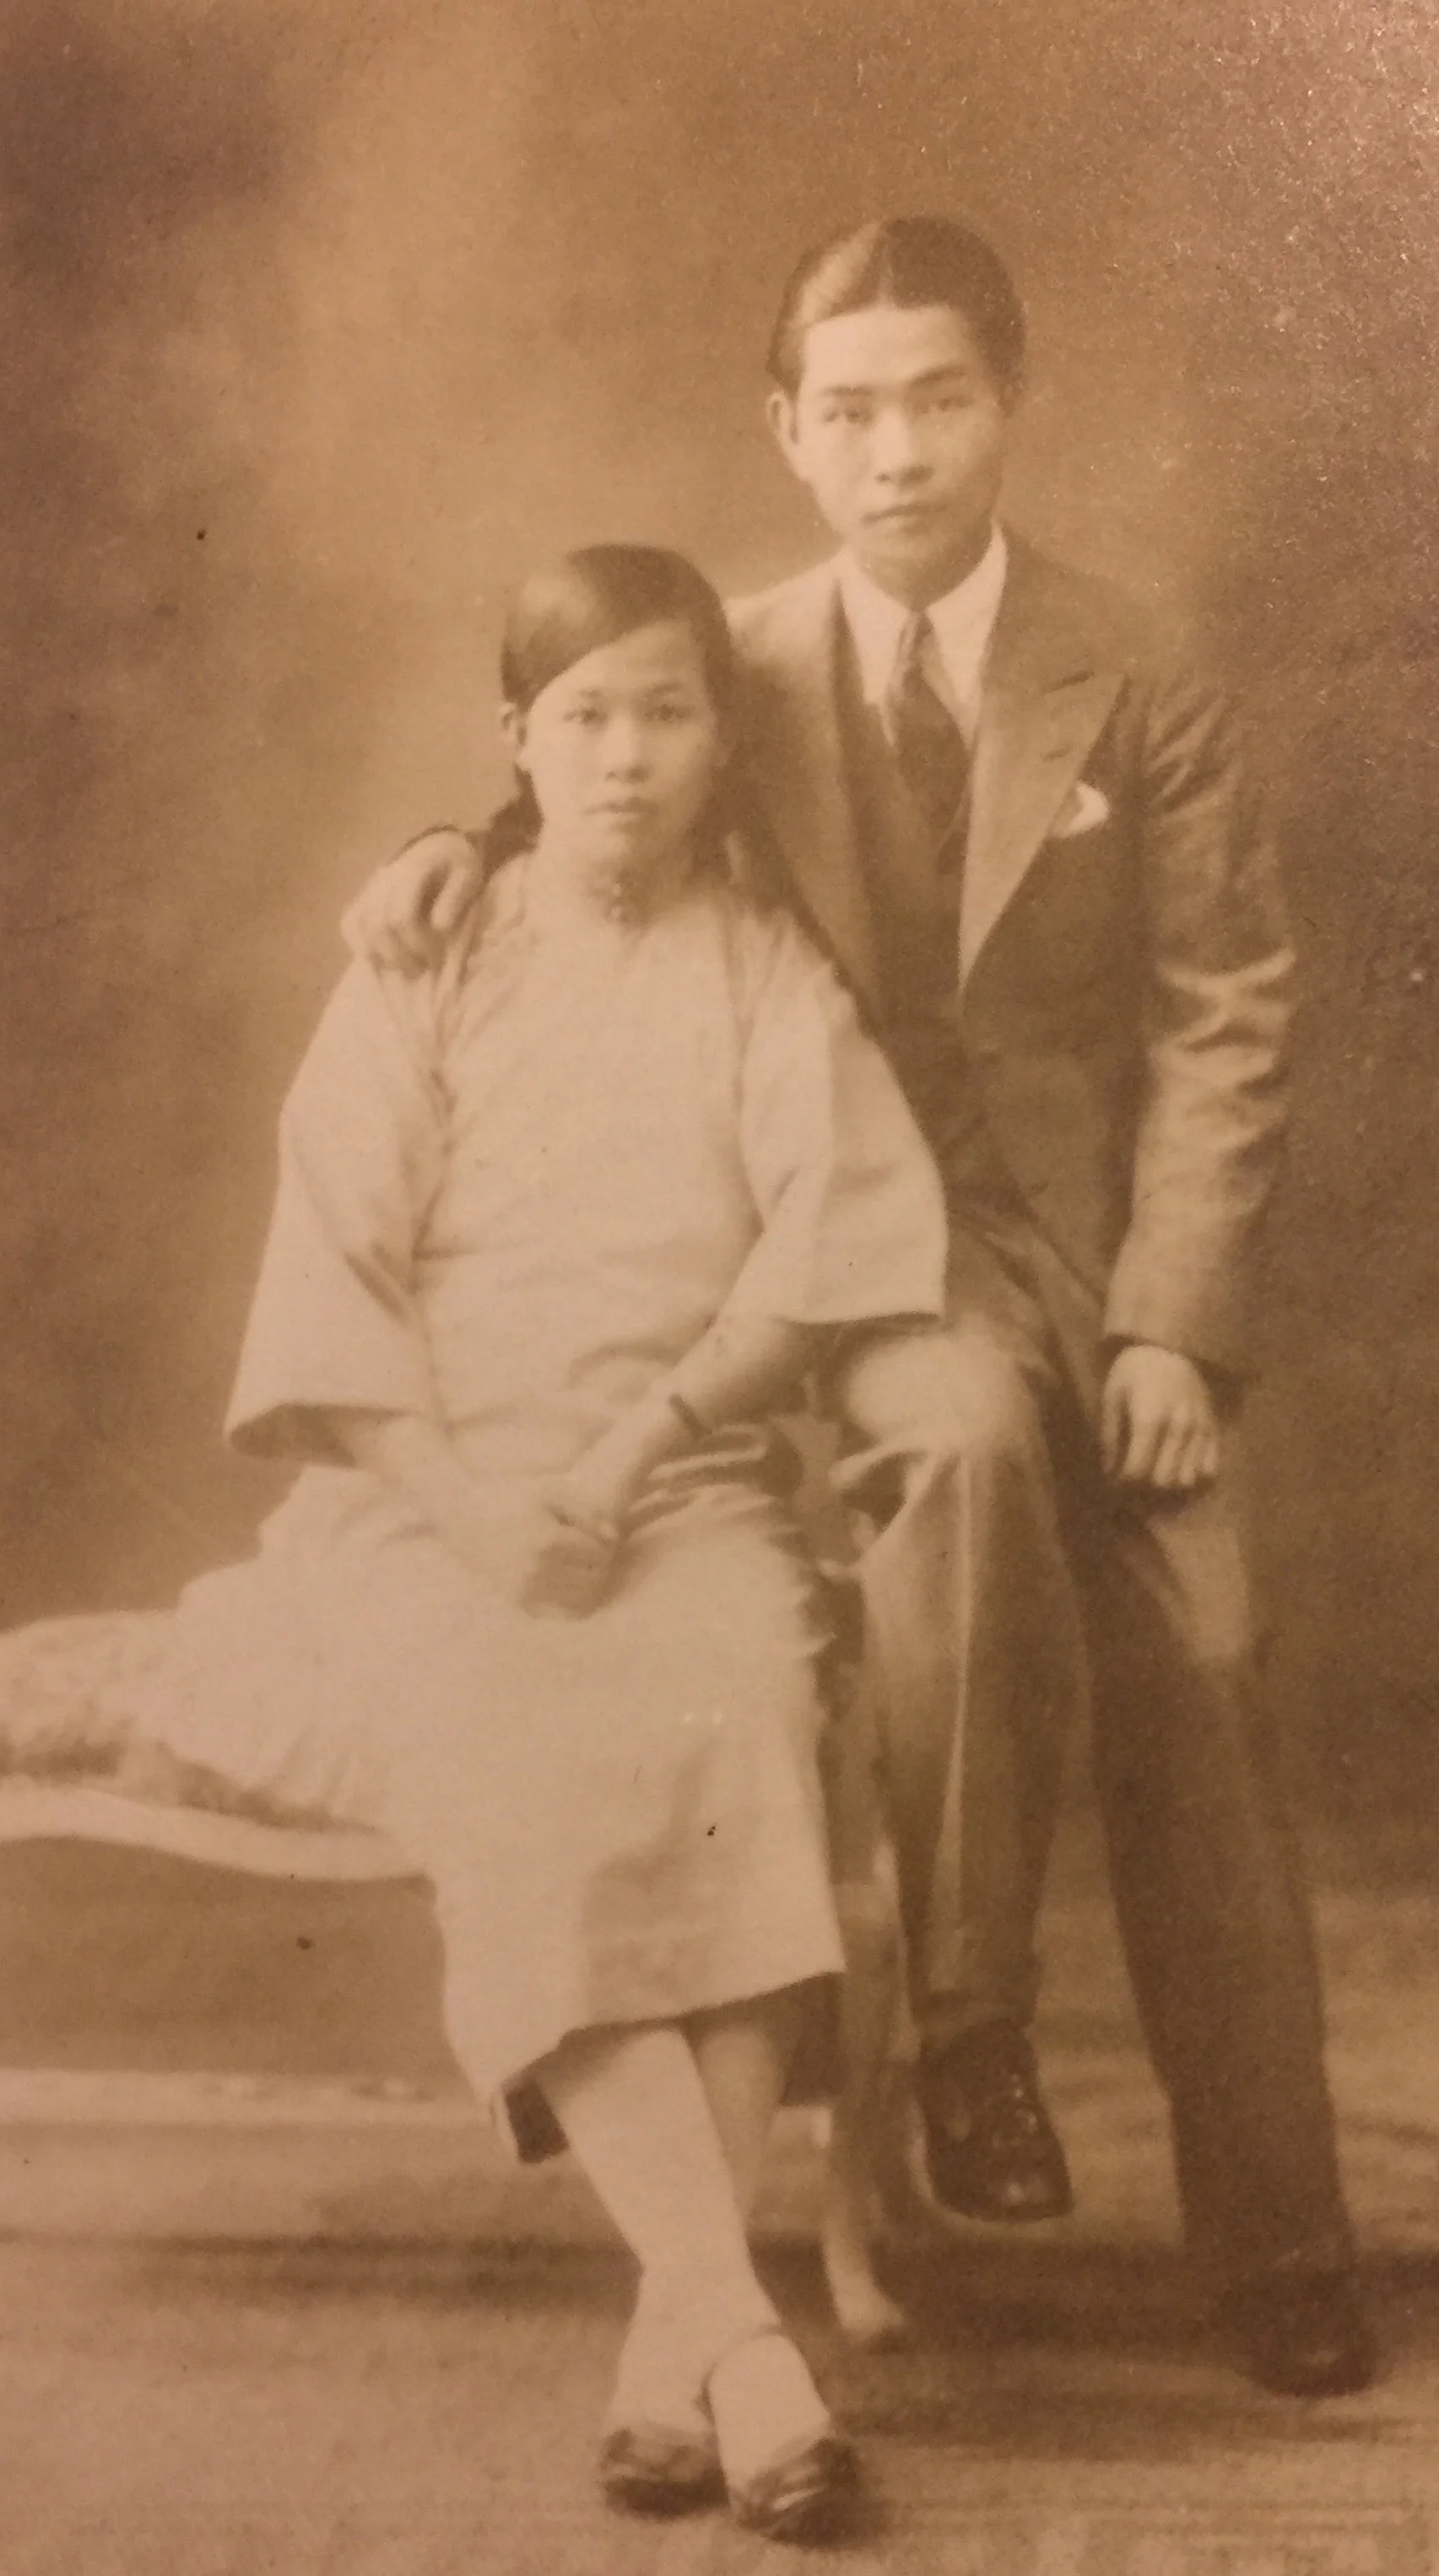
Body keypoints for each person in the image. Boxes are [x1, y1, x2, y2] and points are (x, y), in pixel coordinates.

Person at [344, 217, 1374, 2397]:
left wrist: (1168, 1322)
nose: (895, 451)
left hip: (1095, 1247)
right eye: (850, 410)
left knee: (1201, 1654)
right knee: (961, 1446)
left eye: (938, 400)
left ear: (1006, 407)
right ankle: (971, 2028)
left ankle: (1280, 2240)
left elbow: (1223, 1010)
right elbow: (586, 761)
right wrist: (452, 843)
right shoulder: (735, 659)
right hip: (850, 1233)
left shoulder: (1133, 667)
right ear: (786, 435)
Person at [0, 545, 953, 2538]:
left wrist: (630, 1457)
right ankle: (746, 2346)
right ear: (515, 740)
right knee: (517, 1743)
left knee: (743, 1723)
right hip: (414, 1504)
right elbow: (333, 1292)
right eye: (583, 716)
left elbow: (812, 1248)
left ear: (719, 742)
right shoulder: (429, 952)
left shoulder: (764, 963)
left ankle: (668, 2341)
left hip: (682, 1490)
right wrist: (486, 1510)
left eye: (667, 713)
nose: (626, 756)